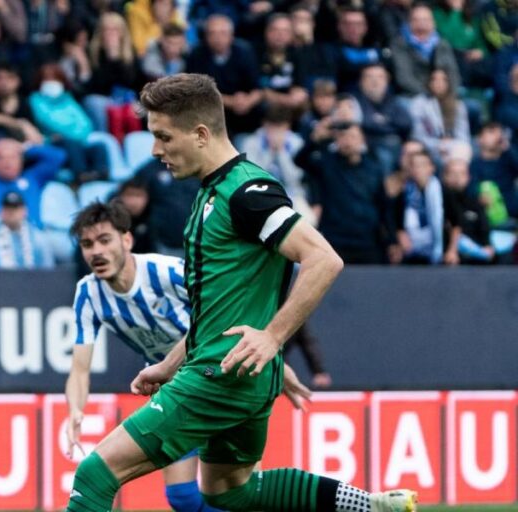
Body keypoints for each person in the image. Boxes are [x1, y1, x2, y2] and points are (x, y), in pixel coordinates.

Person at [63, 73, 418, 512]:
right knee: (231, 491)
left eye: (162, 136)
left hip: (219, 376)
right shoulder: (212, 193)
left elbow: (324, 259)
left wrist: (272, 337)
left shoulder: (247, 192)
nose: (155, 150)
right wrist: (170, 363)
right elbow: (217, 307)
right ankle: (368, 506)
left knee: (96, 473)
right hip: (236, 372)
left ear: (200, 133)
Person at [66, 200, 312, 512]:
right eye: (87, 244)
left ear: (126, 240)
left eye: (104, 240)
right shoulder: (88, 294)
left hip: (219, 376)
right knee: (182, 497)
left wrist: (274, 356)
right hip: (174, 391)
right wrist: (75, 409)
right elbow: (79, 369)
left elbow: (230, 307)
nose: (96, 251)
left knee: (235, 491)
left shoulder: (166, 271)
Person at [296, 122, 397, 264]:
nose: (348, 141)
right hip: (336, 240)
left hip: (368, 241)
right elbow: (299, 160)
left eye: (352, 136)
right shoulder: (326, 163)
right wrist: (315, 140)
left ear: (362, 139)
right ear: (336, 140)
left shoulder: (374, 168)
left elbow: (384, 206)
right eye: (342, 137)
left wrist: (392, 240)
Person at [186, 14, 262, 135]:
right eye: (212, 33)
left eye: (223, 33)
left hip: (244, 107)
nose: (218, 38)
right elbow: (196, 92)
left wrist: (248, 101)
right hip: (212, 107)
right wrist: (230, 101)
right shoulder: (197, 55)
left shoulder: (245, 51)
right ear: (206, 36)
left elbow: (258, 88)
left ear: (231, 36)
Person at [394, 149, 461, 265]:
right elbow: (395, 222)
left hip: (439, 253)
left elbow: (456, 224)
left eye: (423, 165)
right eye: (415, 165)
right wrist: (400, 237)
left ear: (432, 168)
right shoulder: (403, 193)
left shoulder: (443, 192)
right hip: (411, 252)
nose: (419, 169)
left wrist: (452, 250)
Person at [390, 3, 462, 97]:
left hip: (443, 96)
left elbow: (453, 74)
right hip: (412, 96)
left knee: (470, 107)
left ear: (433, 23)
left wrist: (448, 95)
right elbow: (404, 79)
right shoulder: (399, 44)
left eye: (425, 20)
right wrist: (429, 95)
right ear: (409, 23)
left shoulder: (442, 44)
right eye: (416, 20)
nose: (421, 24)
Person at [354, 64, 413, 175]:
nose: (375, 82)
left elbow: (406, 123)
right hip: (370, 146)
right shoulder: (355, 101)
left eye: (380, 77)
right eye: (370, 77)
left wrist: (382, 121)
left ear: (387, 81)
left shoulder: (393, 100)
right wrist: (389, 122)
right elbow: (366, 123)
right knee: (384, 157)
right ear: (361, 81)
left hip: (396, 145)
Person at [0, 192, 55, 269]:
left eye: (15, 208)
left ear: (25, 211)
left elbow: (47, 270)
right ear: (1, 210)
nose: (11, 212)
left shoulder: (38, 238)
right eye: (7, 208)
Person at [410, 68, 470, 163]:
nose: (439, 83)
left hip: (451, 146)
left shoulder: (458, 105)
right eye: (435, 79)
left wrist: (449, 144)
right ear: (429, 82)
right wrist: (438, 144)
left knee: (463, 148)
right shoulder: (419, 103)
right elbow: (417, 135)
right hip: (428, 146)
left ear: (449, 83)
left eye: (443, 80)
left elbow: (463, 136)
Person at [442, 157, 496, 263]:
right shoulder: (438, 205)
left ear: (468, 177)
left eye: (462, 173)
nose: (457, 178)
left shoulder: (476, 204)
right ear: (445, 177)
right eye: (453, 173)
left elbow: (485, 234)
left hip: (476, 259)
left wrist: (487, 247)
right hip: (448, 259)